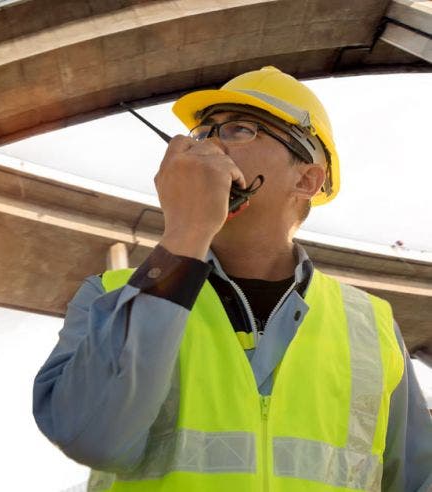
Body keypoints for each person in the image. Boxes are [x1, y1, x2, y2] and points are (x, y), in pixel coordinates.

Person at [32, 66, 432, 491]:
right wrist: (185, 233)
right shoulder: (108, 296)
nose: (207, 147)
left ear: (307, 178)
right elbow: (93, 437)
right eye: (204, 134)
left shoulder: (372, 327)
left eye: (240, 130)